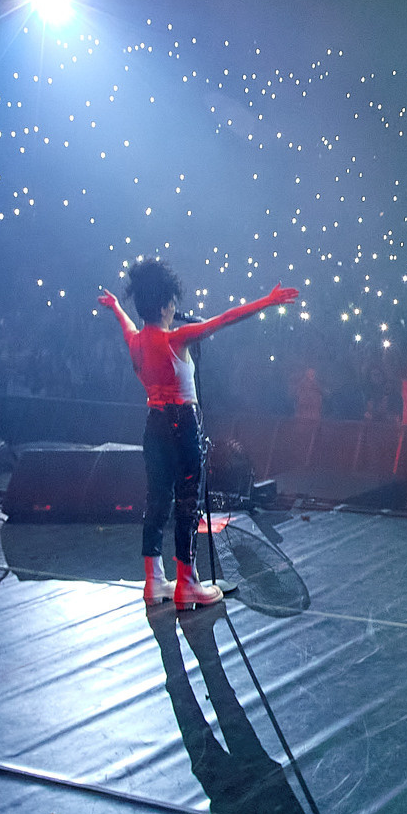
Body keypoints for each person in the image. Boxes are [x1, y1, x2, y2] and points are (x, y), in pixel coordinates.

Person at [100, 261, 297, 610]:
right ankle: (187, 584)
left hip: (154, 423)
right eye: (172, 303)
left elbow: (127, 325)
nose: (176, 308)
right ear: (163, 305)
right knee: (189, 502)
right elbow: (224, 320)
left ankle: (153, 579)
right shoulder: (175, 339)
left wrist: (116, 306)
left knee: (157, 499)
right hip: (182, 423)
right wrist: (266, 302)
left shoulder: (135, 343)